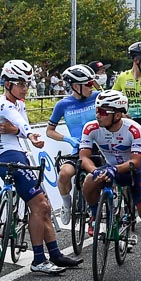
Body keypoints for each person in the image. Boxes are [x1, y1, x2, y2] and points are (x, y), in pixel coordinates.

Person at [0, 59, 81, 274]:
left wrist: (17, 132)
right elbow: (21, 124)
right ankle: (39, 259)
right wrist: (29, 134)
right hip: (8, 157)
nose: (25, 88)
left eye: (27, 84)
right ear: (7, 84)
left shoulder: (18, 103)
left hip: (19, 154)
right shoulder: (3, 104)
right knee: (40, 206)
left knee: (45, 205)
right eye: (21, 84)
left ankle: (55, 254)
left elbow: (18, 126)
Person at [78, 89, 141, 275]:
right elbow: (84, 157)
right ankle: (94, 215)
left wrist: (114, 169)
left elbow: (136, 161)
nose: (98, 115)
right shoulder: (91, 128)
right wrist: (96, 171)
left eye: (103, 112)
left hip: (132, 171)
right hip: (108, 168)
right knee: (90, 181)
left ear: (117, 114)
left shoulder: (133, 128)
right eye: (97, 110)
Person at [46, 63, 98, 224]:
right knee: (63, 174)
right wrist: (67, 139)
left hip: (99, 149)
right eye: (88, 84)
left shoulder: (97, 97)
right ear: (75, 86)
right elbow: (50, 131)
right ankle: (67, 205)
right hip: (79, 149)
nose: (92, 86)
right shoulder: (63, 104)